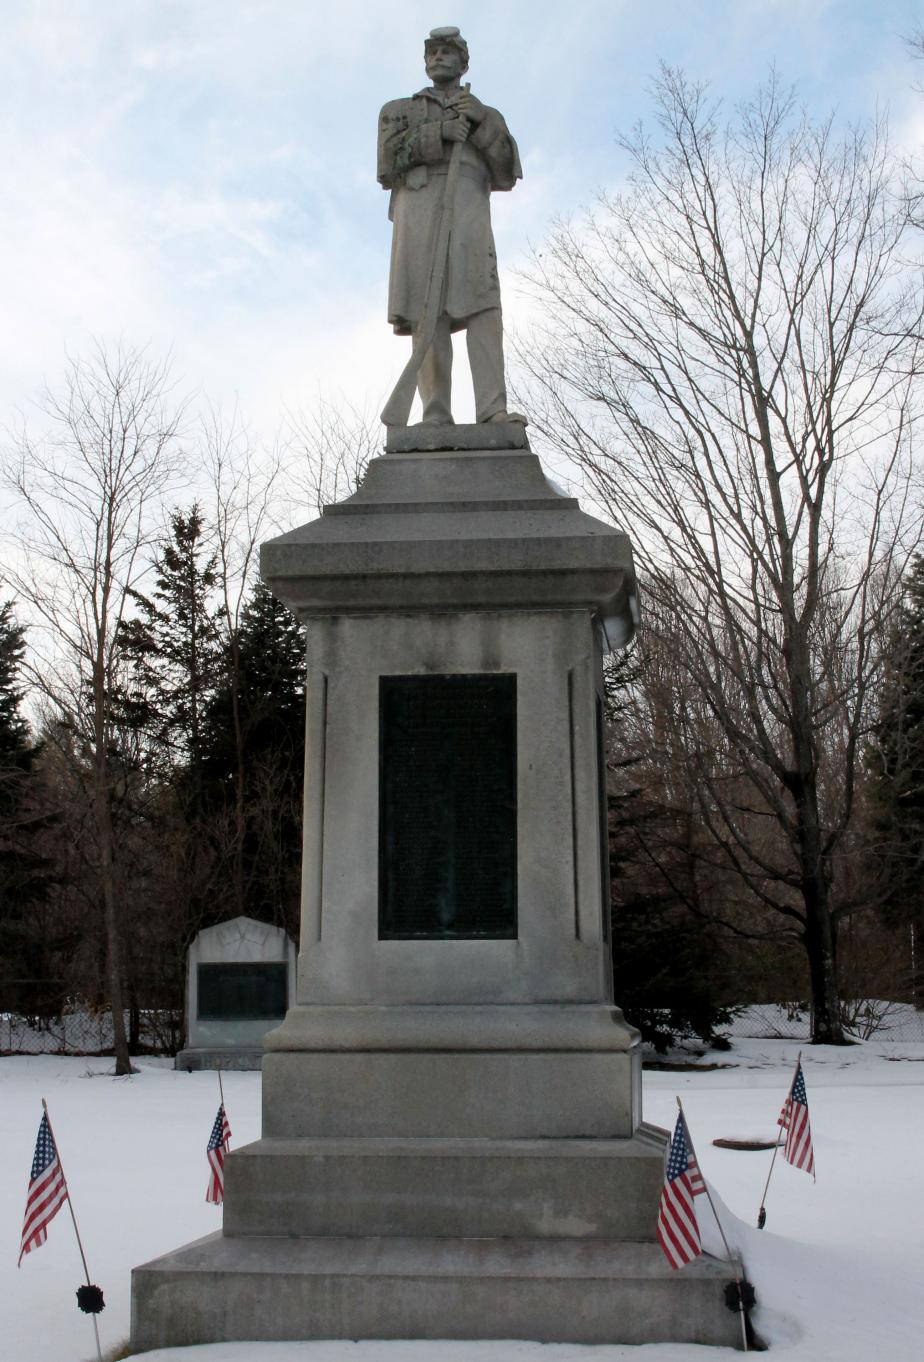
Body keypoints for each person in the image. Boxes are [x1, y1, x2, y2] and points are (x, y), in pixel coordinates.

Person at [377, 26, 525, 426]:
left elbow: (508, 171)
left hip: (468, 208)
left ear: (463, 62)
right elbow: (387, 162)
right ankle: (435, 414)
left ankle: (492, 409)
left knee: (484, 306)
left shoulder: (484, 113)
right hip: (419, 209)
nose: (438, 57)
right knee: (428, 312)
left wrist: (481, 125)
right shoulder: (399, 110)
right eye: (433, 52)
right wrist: (437, 133)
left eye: (447, 51)